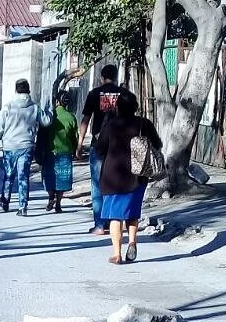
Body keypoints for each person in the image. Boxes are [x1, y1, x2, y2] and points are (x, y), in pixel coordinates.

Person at [94, 90, 162, 265]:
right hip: (137, 175)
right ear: (135, 107)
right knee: (132, 214)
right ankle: (132, 241)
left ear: (117, 108)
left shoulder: (110, 125)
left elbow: (100, 151)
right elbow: (158, 145)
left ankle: (117, 253)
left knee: (115, 217)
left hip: (113, 178)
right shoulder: (144, 124)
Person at [77, 64, 127, 235]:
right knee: (117, 183)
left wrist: (79, 143)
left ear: (101, 77)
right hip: (118, 145)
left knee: (97, 184)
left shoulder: (93, 94)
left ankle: (100, 225)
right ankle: (115, 221)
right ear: (115, 76)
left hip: (99, 144)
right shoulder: (122, 94)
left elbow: (85, 120)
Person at [0, 78, 52, 216]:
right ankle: (22, 206)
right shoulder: (35, 107)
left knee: (9, 175)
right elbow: (46, 121)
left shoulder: (8, 107)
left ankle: (5, 200)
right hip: (27, 146)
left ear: (16, 90)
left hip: (9, 146)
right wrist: (49, 108)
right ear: (28, 90)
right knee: (23, 176)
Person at [42, 91, 79, 213]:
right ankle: (58, 203)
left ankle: (51, 196)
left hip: (50, 151)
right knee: (62, 179)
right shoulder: (71, 117)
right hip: (65, 152)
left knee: (49, 177)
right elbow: (75, 137)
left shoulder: (49, 116)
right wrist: (75, 150)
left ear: (57, 101)